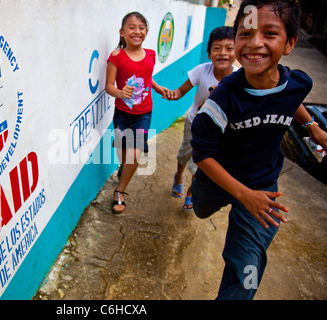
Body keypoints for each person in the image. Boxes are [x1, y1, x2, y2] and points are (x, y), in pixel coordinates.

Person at [190, 0, 327, 299]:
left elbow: (289, 99)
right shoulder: (221, 102)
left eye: (270, 33)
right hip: (216, 179)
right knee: (200, 209)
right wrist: (241, 194)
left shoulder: (298, 83)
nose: (255, 43)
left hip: (262, 185)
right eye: (245, 33)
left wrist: (312, 126)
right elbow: (201, 154)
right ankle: (197, 193)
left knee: (245, 272)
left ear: (290, 43)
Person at [167, 26, 238, 212]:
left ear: (237, 52)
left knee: (201, 165)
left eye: (229, 48)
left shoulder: (241, 77)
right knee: (184, 155)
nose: (223, 53)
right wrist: (171, 94)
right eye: (217, 48)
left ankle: (190, 193)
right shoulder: (202, 70)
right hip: (194, 124)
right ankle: (178, 176)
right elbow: (181, 90)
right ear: (209, 53)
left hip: (219, 132)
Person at [105, 12, 170, 214]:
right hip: (122, 113)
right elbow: (108, 87)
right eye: (131, 27)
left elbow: (146, 77)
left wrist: (158, 88)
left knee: (134, 154)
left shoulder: (150, 54)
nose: (137, 31)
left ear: (147, 32)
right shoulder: (116, 57)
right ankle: (123, 172)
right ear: (122, 32)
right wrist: (120, 92)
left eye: (141, 27)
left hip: (144, 113)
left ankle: (120, 190)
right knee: (124, 154)